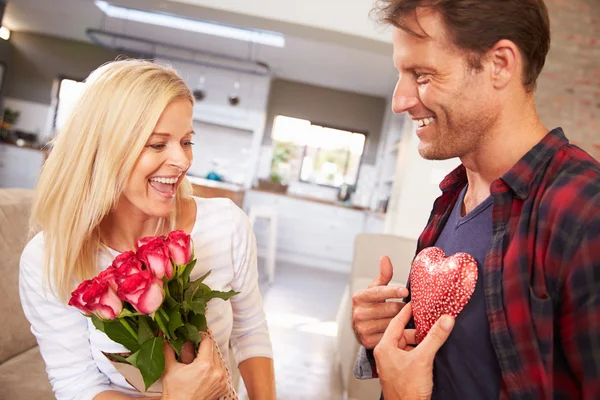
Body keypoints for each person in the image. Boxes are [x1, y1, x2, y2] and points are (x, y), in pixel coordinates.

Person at [351, 0, 600, 399]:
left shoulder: (585, 211)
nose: (400, 100)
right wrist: (385, 332)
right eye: (401, 74)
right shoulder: (454, 196)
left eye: (423, 75)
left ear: (499, 64)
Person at [19, 59, 276, 400]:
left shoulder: (227, 225)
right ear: (104, 149)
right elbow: (77, 385)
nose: (182, 161)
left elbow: (250, 331)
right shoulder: (48, 258)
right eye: (158, 144)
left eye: (186, 142)